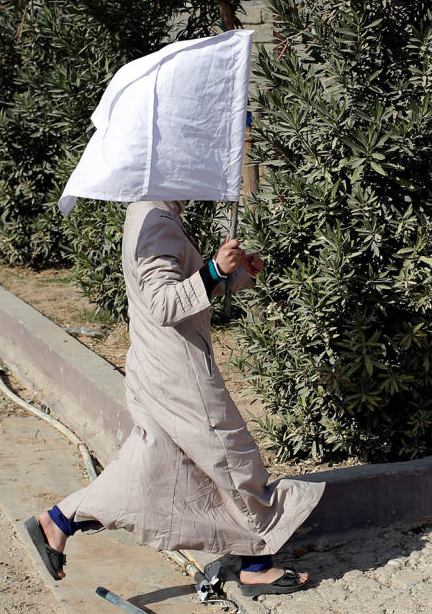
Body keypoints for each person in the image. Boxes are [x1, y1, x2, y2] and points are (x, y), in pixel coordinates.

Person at [25, 201, 325, 596]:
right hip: (178, 371)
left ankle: (60, 521)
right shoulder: (156, 223)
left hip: (156, 362)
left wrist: (232, 276)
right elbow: (163, 305)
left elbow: (178, 291)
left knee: (153, 463)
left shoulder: (150, 215)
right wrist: (215, 269)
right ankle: (256, 564)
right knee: (232, 457)